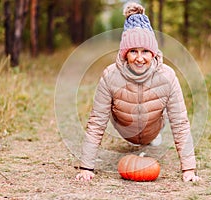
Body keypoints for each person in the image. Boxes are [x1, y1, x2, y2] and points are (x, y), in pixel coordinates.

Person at [75, 2, 201, 182]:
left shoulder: (167, 76)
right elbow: (96, 122)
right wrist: (86, 167)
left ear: (154, 53)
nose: (139, 58)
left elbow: (180, 123)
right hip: (124, 127)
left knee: (164, 118)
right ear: (125, 53)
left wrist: (189, 169)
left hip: (154, 125)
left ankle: (152, 137)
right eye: (133, 51)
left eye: (145, 52)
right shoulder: (110, 76)